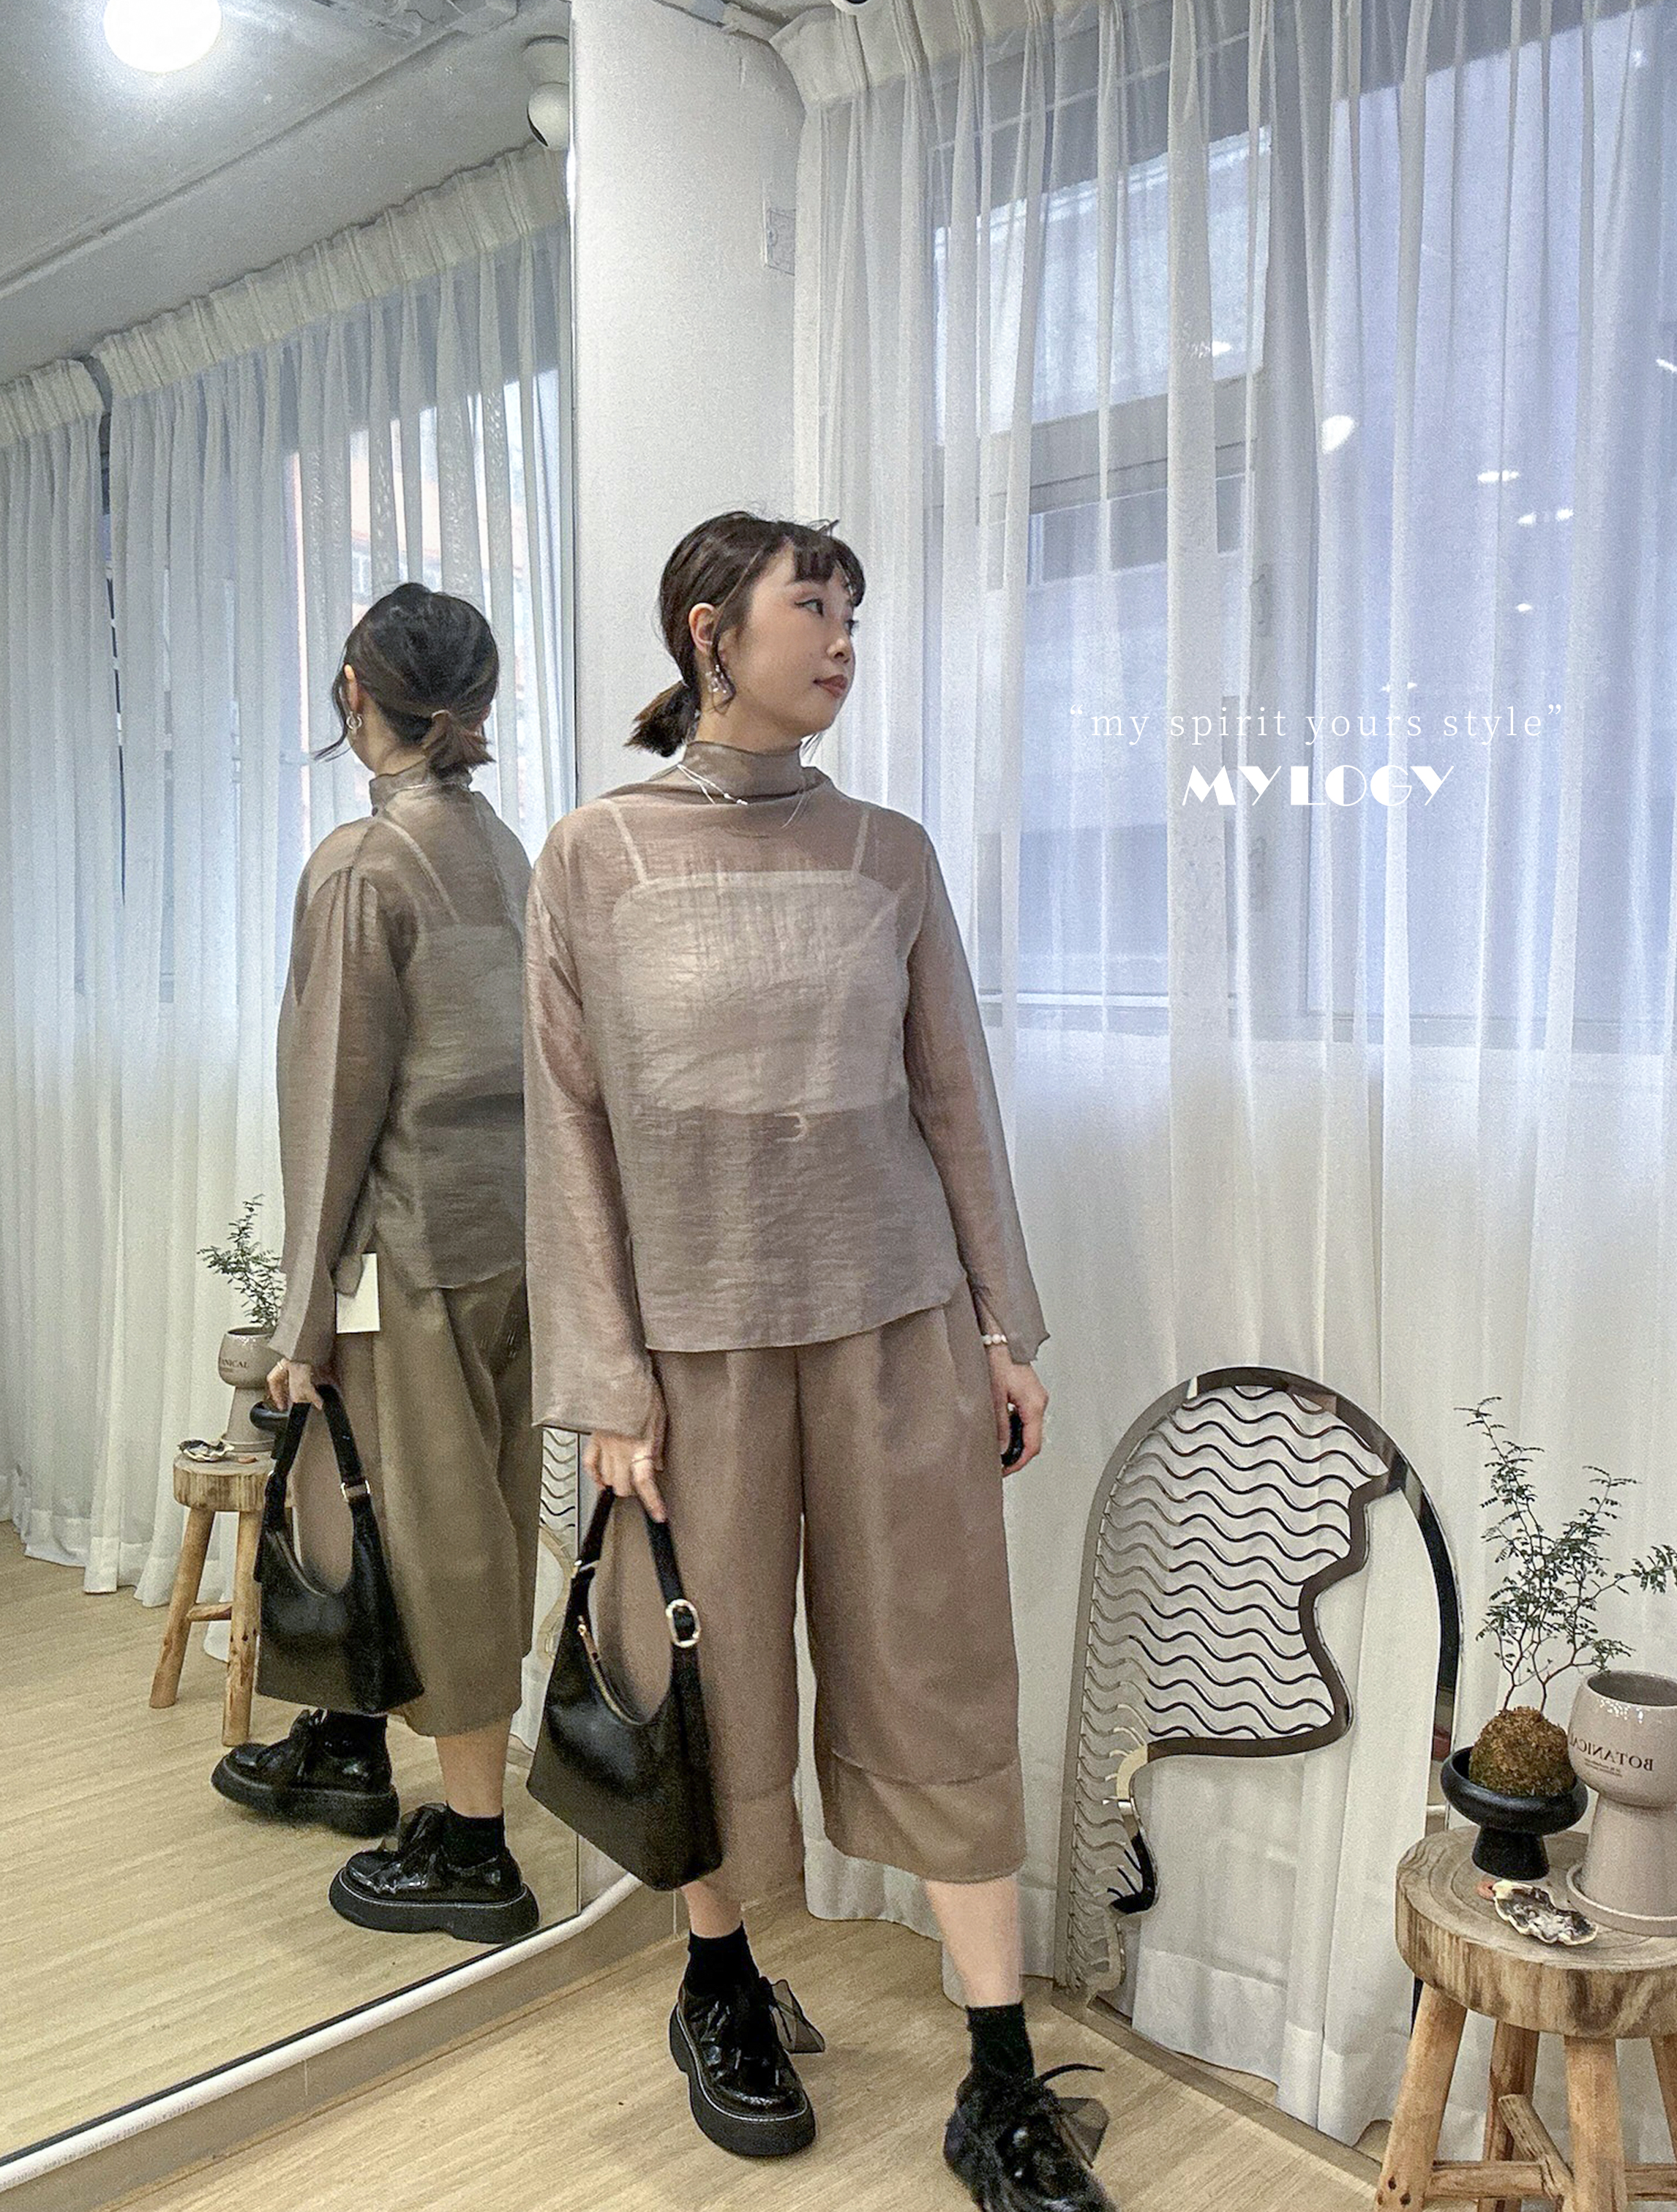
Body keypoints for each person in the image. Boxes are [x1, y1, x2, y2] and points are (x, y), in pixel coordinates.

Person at [524, 512, 1117, 2209]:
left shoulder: (889, 851)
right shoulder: (595, 853)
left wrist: (1000, 1326)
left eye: (855, 609)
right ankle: (719, 1978)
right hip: (688, 1348)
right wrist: (607, 1379)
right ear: (711, 632)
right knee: (702, 1675)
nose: (845, 637)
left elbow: (955, 1098)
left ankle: (997, 2071)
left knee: (941, 1666)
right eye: (814, 606)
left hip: (894, 1321)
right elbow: (568, 1132)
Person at [211, 582, 544, 1946]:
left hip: (411, 1249)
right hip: (517, 1237)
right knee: (458, 1516)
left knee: (435, 1534)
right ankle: (351, 1747)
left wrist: (299, 1318)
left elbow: (333, 1101)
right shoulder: (507, 848)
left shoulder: (363, 864)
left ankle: (475, 1845)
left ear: (356, 692)